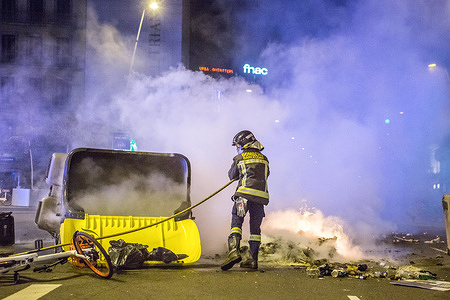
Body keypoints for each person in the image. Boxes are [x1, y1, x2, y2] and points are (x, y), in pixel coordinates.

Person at [221, 130, 270, 271]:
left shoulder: (239, 158)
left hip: (243, 196)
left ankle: (233, 253)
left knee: (237, 223)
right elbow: (266, 175)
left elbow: (232, 175)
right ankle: (252, 260)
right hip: (260, 198)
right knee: (255, 230)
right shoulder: (265, 159)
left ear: (242, 143)